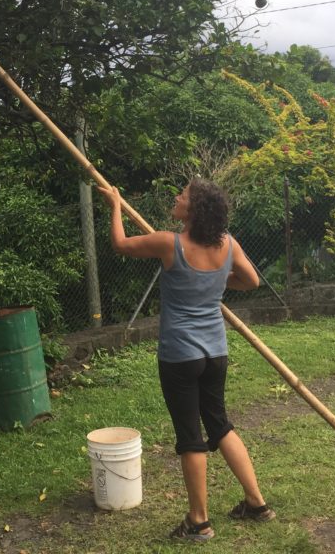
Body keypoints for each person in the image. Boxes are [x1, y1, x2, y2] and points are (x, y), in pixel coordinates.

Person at [98, 179, 273, 542]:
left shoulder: (169, 244)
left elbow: (119, 244)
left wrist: (116, 203)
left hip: (180, 356)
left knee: (190, 437)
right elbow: (252, 281)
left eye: (183, 197)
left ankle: (199, 520)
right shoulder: (228, 246)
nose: (177, 198)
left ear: (193, 211)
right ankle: (256, 503)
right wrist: (219, 283)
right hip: (215, 353)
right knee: (220, 424)